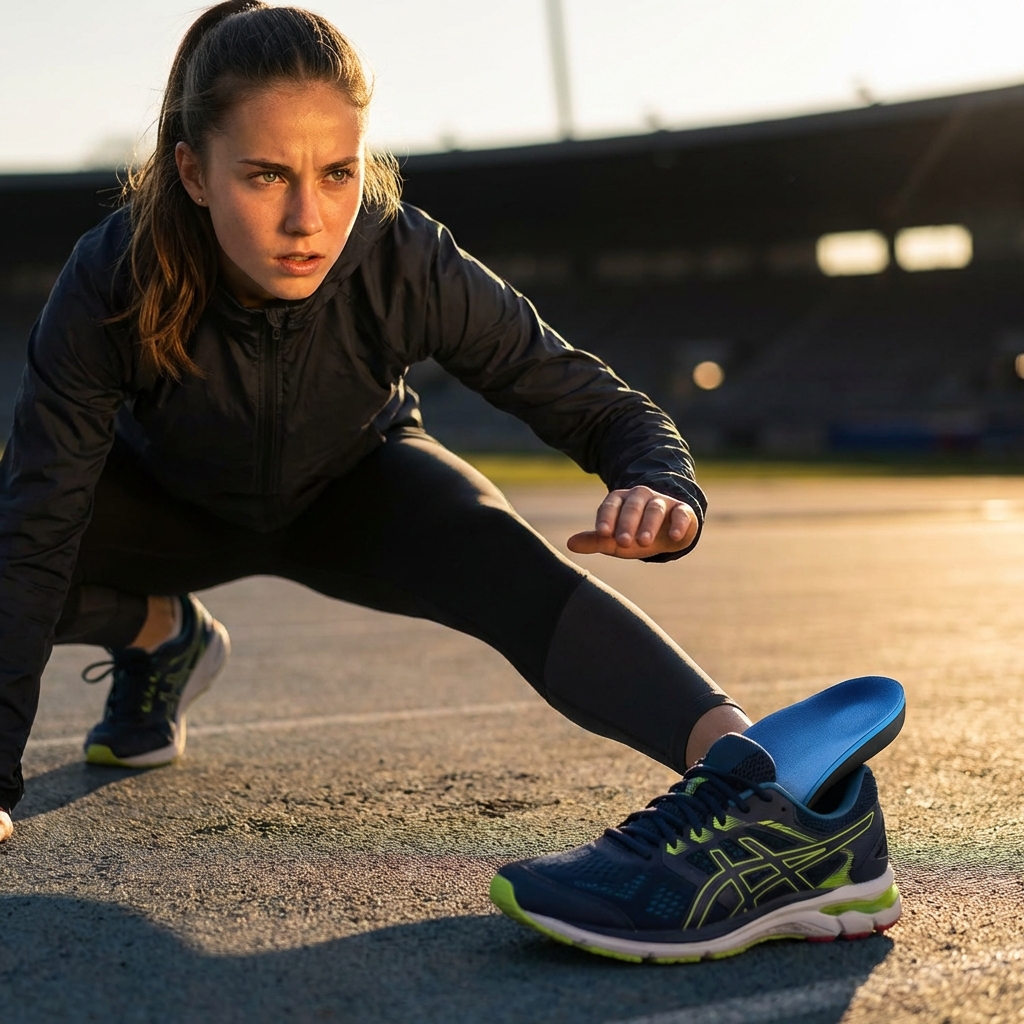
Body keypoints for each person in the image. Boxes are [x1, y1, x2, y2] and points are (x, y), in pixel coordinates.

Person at [0, 1, 897, 961]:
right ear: (193, 171)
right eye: (266, 175)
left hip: (357, 490)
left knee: (496, 549)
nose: (309, 220)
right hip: (165, 510)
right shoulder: (114, 279)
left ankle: (765, 799)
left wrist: (659, 483)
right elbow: (38, 524)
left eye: (336, 173)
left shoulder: (401, 255)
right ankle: (161, 636)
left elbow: (599, 404)